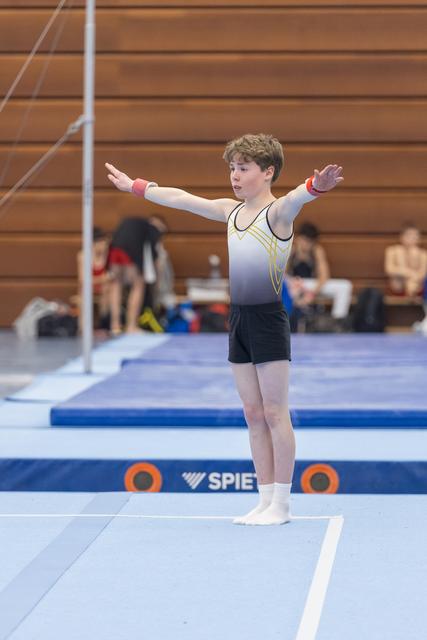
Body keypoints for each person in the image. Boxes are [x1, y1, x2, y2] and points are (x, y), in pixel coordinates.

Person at [105, 133, 344, 525]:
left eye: (244, 168)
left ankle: (282, 504)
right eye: (232, 167)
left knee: (274, 412)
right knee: (252, 413)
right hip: (239, 320)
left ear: (267, 173)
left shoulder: (277, 214)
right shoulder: (231, 213)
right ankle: (264, 498)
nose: (235, 176)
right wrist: (136, 186)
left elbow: (297, 198)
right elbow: (182, 199)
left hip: (268, 319)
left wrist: (317, 186)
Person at [287, 222, 353, 329]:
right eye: (304, 240)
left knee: (345, 286)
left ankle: (338, 321)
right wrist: (293, 287)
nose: (306, 245)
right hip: (295, 285)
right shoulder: (291, 249)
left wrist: (311, 294)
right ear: (298, 238)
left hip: (313, 285)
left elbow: (324, 276)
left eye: (310, 242)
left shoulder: (317, 250)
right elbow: (282, 275)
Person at [108, 216, 161, 335]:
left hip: (115, 247)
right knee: (138, 285)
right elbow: (154, 257)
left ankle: (115, 325)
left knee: (116, 283)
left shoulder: (130, 222)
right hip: (130, 249)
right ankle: (131, 325)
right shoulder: (152, 229)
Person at [76, 226, 112, 332]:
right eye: (102, 243)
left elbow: (112, 277)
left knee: (108, 288)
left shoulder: (108, 255)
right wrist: (103, 278)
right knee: (83, 290)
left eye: (105, 243)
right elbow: (83, 280)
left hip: (104, 290)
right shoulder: (83, 255)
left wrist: (98, 279)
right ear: (93, 243)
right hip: (88, 289)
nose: (105, 246)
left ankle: (105, 324)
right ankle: (83, 328)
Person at [385, 222, 427, 298]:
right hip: (399, 282)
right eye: (409, 235)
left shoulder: (423, 254)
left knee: (412, 285)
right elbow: (389, 269)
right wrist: (409, 273)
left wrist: (414, 259)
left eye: (415, 236)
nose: (412, 238)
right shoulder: (392, 251)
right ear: (401, 237)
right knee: (397, 282)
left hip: (417, 283)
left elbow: (423, 273)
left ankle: (412, 302)